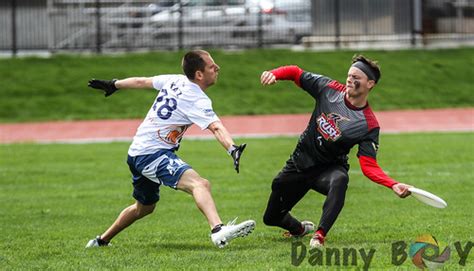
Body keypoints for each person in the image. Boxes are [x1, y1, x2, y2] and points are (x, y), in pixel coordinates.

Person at [85, 50, 255, 249]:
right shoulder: (197, 99)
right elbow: (216, 127)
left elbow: (141, 81)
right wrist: (232, 148)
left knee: (144, 208)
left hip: (137, 152)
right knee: (200, 184)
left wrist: (114, 84)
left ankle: (99, 242)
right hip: (151, 154)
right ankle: (218, 230)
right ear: (199, 74)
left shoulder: (175, 80)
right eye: (212, 66)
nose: (217, 68)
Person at [259, 55, 412, 248]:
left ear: (370, 84)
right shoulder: (328, 89)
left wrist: (393, 184)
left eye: (357, 78)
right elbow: (295, 73)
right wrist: (273, 74)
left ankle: (319, 235)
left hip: (327, 170)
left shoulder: (368, 125)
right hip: (300, 163)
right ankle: (299, 229)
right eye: (349, 75)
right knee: (271, 217)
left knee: (340, 179)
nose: (350, 80)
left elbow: (369, 166)